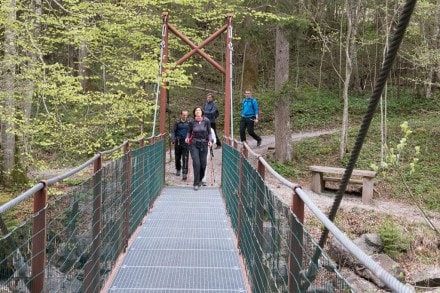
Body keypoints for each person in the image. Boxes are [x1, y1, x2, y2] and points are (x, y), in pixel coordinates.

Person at [185, 106, 213, 190]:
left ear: (202, 112)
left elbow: (209, 132)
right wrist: (187, 137)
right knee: (196, 163)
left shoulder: (206, 121)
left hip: (204, 144)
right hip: (194, 144)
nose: (198, 111)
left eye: (199, 110)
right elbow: (189, 132)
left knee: (203, 164)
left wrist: (210, 140)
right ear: (194, 113)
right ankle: (196, 183)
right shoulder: (191, 122)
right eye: (196, 110)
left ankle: (200, 179)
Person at [170, 110, 190, 180]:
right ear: (181, 115)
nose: (185, 116)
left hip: (186, 142)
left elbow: (190, 132)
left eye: (186, 115)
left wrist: (189, 138)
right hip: (178, 142)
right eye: (184, 115)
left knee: (185, 157)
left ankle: (185, 173)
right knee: (177, 157)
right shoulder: (177, 122)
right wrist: (173, 139)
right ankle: (178, 169)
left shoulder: (189, 123)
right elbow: (173, 131)